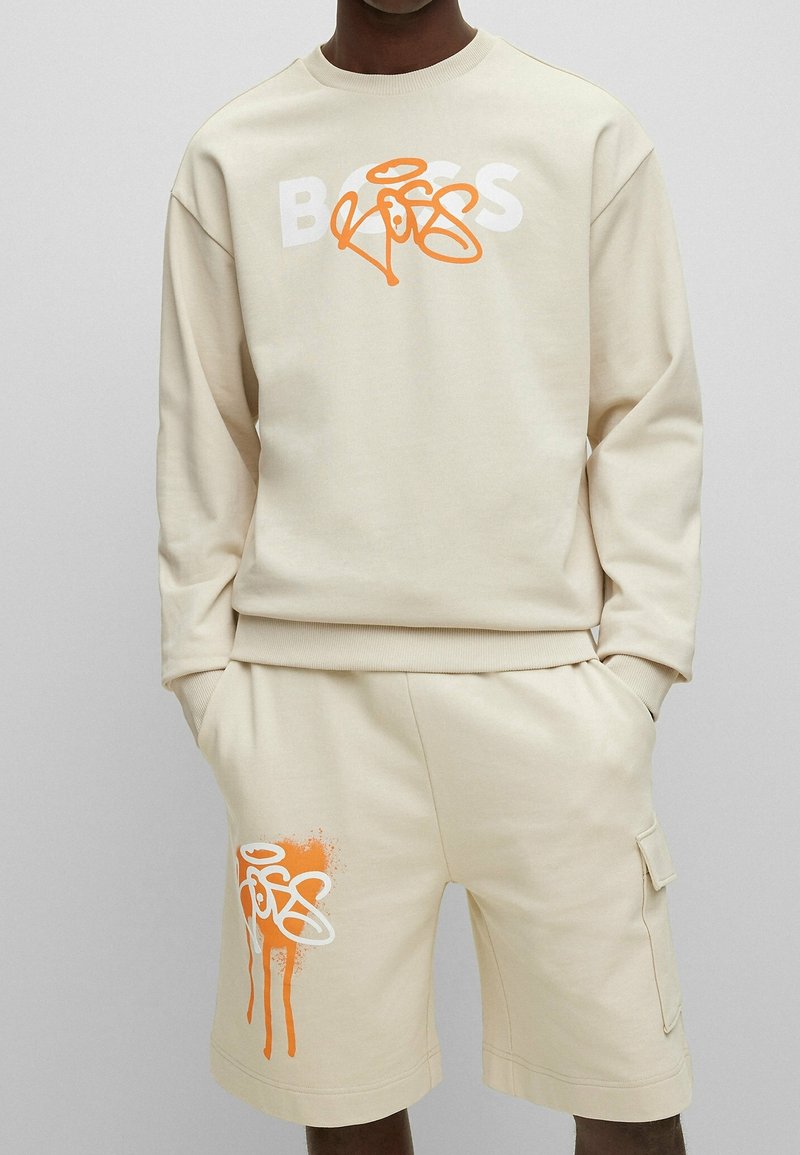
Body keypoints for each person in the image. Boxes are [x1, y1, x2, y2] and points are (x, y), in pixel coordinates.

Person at [156, 1, 703, 1152]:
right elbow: (206, 430)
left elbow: (644, 413)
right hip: (307, 714)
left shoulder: (580, 132)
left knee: (630, 1102)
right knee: (341, 1109)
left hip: (546, 692)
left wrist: (637, 670)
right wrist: (207, 681)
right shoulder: (234, 153)